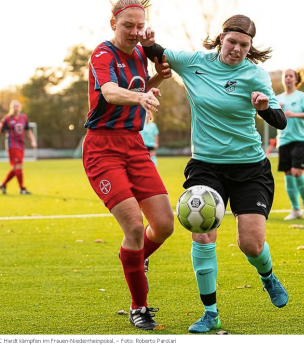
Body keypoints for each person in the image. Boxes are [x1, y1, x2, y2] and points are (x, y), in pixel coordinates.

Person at [140, 14, 288, 333]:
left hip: (250, 168)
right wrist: (148, 41)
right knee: (202, 232)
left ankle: (268, 277)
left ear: (250, 48)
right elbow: (160, 54)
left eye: (244, 45)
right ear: (221, 38)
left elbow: (280, 121)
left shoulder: (255, 75)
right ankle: (211, 313)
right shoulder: (195, 62)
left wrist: (263, 108)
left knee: (250, 243)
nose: (236, 49)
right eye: (232, 41)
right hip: (206, 165)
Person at [82, 0, 174, 330]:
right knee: (134, 227)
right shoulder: (102, 54)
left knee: (163, 224)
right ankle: (140, 307)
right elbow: (109, 92)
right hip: (102, 149)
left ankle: (136, 257)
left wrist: (157, 81)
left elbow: (142, 89)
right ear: (113, 24)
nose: (134, 32)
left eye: (139, 26)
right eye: (128, 26)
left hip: (134, 145)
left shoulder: (139, 53)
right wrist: (141, 97)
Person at [275, 69, 304, 220]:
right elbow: (264, 115)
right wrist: (275, 110)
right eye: (285, 76)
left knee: (297, 172)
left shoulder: (302, 97)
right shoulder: (277, 98)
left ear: (296, 79)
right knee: (288, 175)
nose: (287, 78)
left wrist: (294, 114)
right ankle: (295, 209)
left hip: (301, 139)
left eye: (290, 76)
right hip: (284, 140)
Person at [0, 99, 36, 195]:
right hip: (12, 145)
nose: (16, 108)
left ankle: (3, 184)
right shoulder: (7, 119)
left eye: (17, 106)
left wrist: (33, 141)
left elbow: (28, 131)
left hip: (21, 145)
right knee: (18, 166)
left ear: (20, 107)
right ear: (11, 108)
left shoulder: (24, 118)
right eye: (14, 106)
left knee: (15, 168)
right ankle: (22, 189)